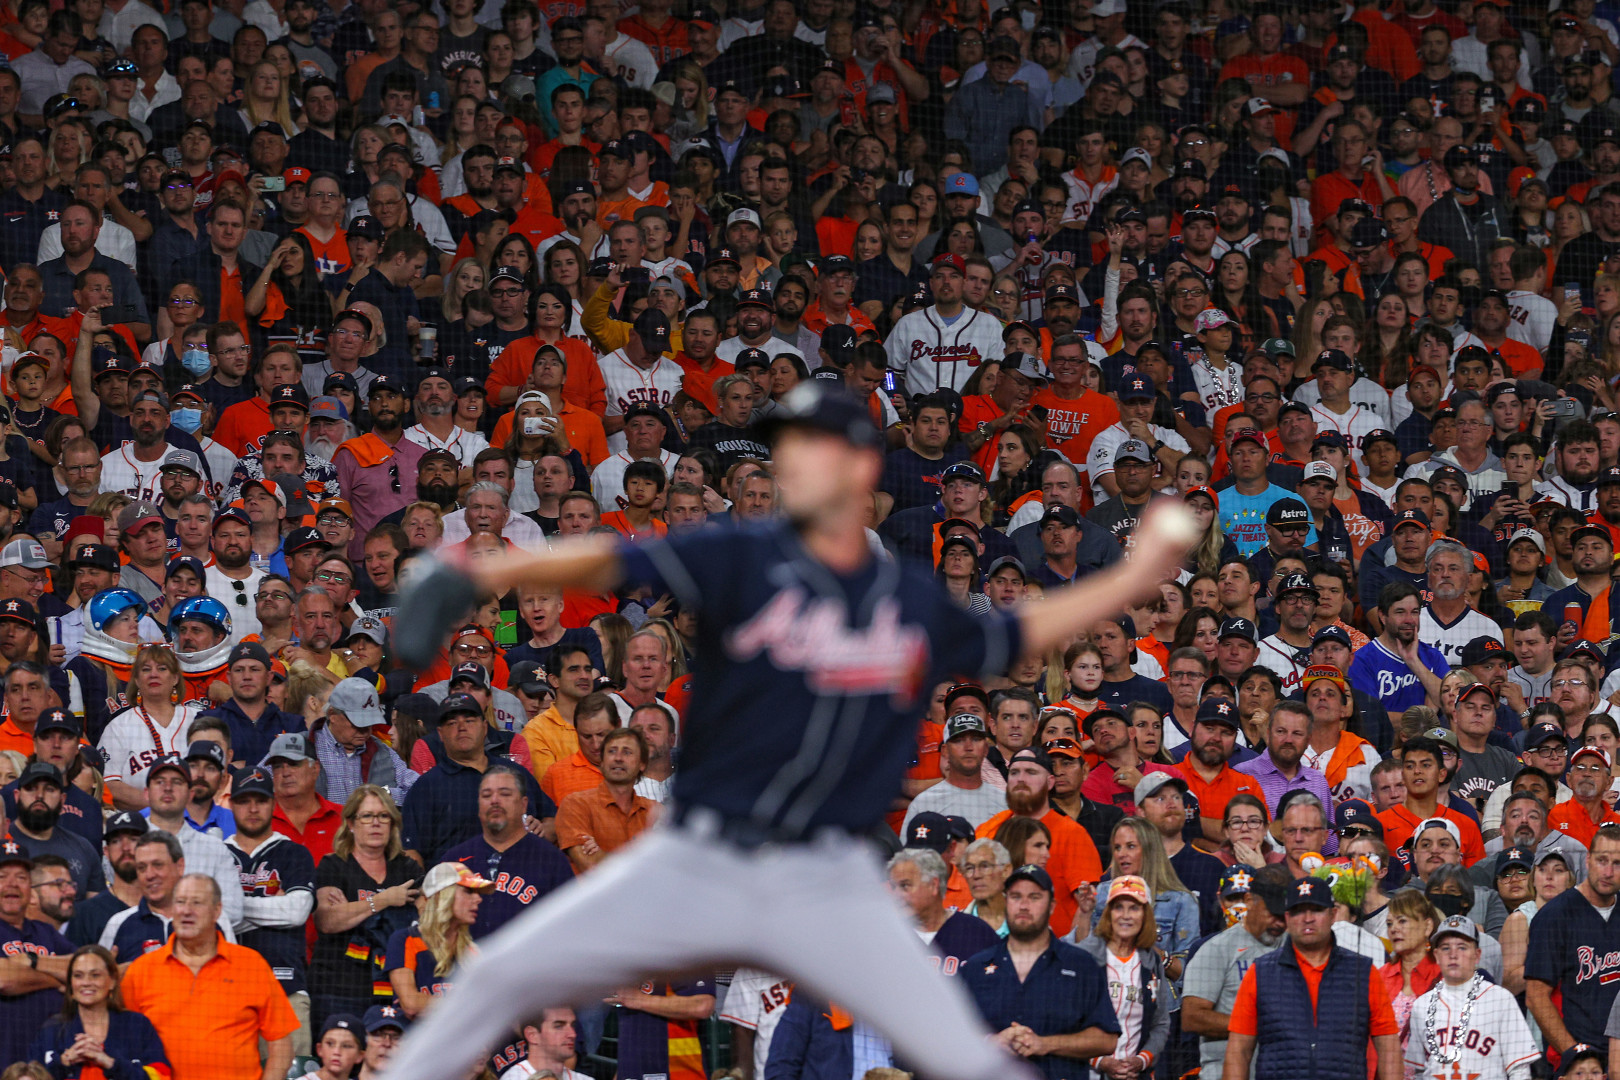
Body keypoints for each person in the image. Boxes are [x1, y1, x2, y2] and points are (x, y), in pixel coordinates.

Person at [384, 383, 1199, 1080]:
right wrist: (480, 569)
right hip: (697, 858)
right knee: (497, 980)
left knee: (974, 1064)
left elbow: (1020, 632)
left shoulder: (909, 601)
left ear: (860, 467)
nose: (790, 462)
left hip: (827, 882)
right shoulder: (741, 554)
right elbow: (605, 561)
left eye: (812, 446)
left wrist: (1132, 575)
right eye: (786, 449)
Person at [120, 873, 299, 1080]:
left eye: (197, 903)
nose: (187, 910)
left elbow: (282, 1046)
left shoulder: (252, 965)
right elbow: (123, 1044)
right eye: (180, 902)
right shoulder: (142, 970)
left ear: (217, 911)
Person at [1223, 876, 1402, 1080]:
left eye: (1316, 909)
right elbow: (1238, 1051)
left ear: (1333, 914)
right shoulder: (1260, 973)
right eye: (1299, 911)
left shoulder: (1363, 972)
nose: (1307, 918)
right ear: (1287, 918)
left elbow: (1389, 1049)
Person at [960, 863, 1123, 1075]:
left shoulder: (1081, 965)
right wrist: (990, 1042)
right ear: (1005, 902)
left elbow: (1107, 1040)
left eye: (1034, 897)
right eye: (1016, 896)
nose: (1024, 905)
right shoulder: (975, 967)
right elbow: (949, 1034)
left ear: (1052, 906)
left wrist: (1045, 1044)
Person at [1181, 864, 1292, 1080]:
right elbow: (1192, 1017)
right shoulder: (1216, 949)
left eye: (1285, 914)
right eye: (1272, 913)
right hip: (1223, 1071)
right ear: (1250, 902)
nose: (1279, 922)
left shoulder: (1294, 946)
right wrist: (1260, 1025)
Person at [1405, 915, 1538, 1080]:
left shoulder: (1501, 1000)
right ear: (1437, 956)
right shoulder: (1421, 1005)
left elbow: (1520, 1070)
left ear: (1477, 955)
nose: (1453, 954)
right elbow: (1417, 1071)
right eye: (1446, 948)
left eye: (1462, 947)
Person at [1525, 824, 1620, 1051]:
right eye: (1602, 860)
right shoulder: (1554, 916)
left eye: (1617, 863)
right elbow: (1536, 997)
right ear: (1587, 860)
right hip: (1580, 1056)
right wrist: (1575, 1055)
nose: (1608, 872)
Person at [1073, 873, 1173, 1077]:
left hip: (1135, 1074)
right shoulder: (1086, 957)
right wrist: (1100, 1062)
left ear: (1145, 915)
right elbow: (1065, 1022)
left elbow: (1161, 1023)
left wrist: (1141, 1060)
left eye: (1134, 908)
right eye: (1118, 907)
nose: (1125, 915)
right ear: (1108, 913)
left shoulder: (1152, 962)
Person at [27, 945, 170, 1080]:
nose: (86, 982)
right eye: (78, 975)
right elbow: (29, 1076)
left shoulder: (137, 1025)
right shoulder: (52, 1029)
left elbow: (161, 1075)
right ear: (71, 984)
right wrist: (64, 1062)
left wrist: (111, 1063)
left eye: (95, 975)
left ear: (113, 981)